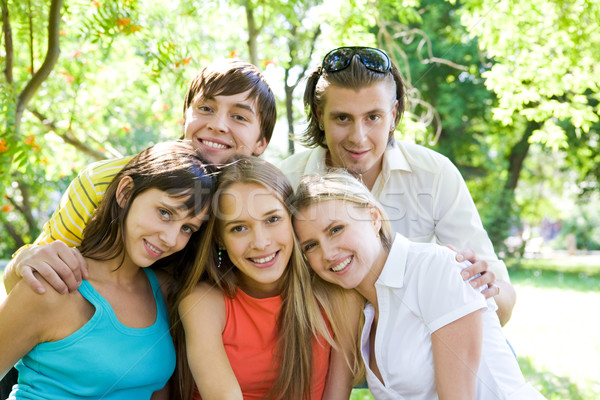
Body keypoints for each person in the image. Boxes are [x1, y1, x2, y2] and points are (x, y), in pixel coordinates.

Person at [277, 46, 517, 326]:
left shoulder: (435, 174)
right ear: (319, 115)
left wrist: (483, 291)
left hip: (419, 347)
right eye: (342, 118)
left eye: (373, 117)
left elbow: (503, 305)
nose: (359, 137)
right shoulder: (287, 180)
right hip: (324, 344)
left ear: (393, 114)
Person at [3, 59, 276, 295]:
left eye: (239, 117)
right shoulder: (105, 181)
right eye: (206, 108)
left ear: (261, 143)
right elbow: (25, 282)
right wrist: (24, 262)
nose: (217, 125)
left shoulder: (266, 203)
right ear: (185, 116)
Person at [291, 172, 545, 400]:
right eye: (311, 246)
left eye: (336, 229)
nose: (328, 252)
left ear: (373, 217)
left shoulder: (435, 268)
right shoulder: (359, 309)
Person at [0, 141, 217, 399]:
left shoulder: (166, 291)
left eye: (187, 228)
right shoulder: (51, 285)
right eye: (165, 213)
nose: (171, 239)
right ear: (125, 192)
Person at [172, 157, 359, 400]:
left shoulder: (335, 295)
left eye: (272, 219)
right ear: (220, 239)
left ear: (292, 222)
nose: (260, 242)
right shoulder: (203, 303)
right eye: (238, 228)